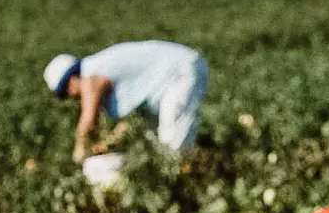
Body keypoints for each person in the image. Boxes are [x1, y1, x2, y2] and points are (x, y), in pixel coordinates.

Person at [42, 40, 209, 162]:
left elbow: (89, 119)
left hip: (180, 72)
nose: (71, 98)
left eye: (65, 94)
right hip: (174, 75)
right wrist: (107, 142)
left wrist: (80, 151)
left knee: (172, 145)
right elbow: (127, 123)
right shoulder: (97, 69)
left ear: (70, 82)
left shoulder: (90, 75)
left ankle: (191, 179)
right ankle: (205, 162)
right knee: (158, 141)